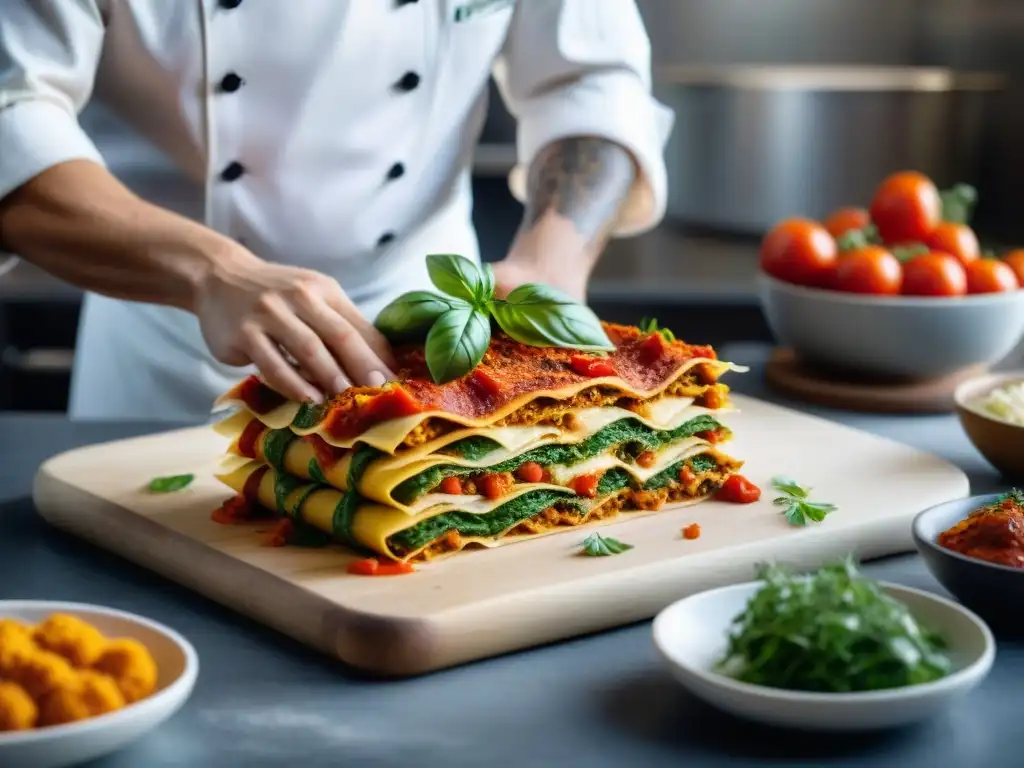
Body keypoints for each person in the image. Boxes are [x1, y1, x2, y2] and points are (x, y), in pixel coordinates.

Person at [0, 0, 673, 421]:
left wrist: (547, 272)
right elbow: (13, 118)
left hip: (432, 337)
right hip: (171, 332)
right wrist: (211, 272)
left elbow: (592, 80)